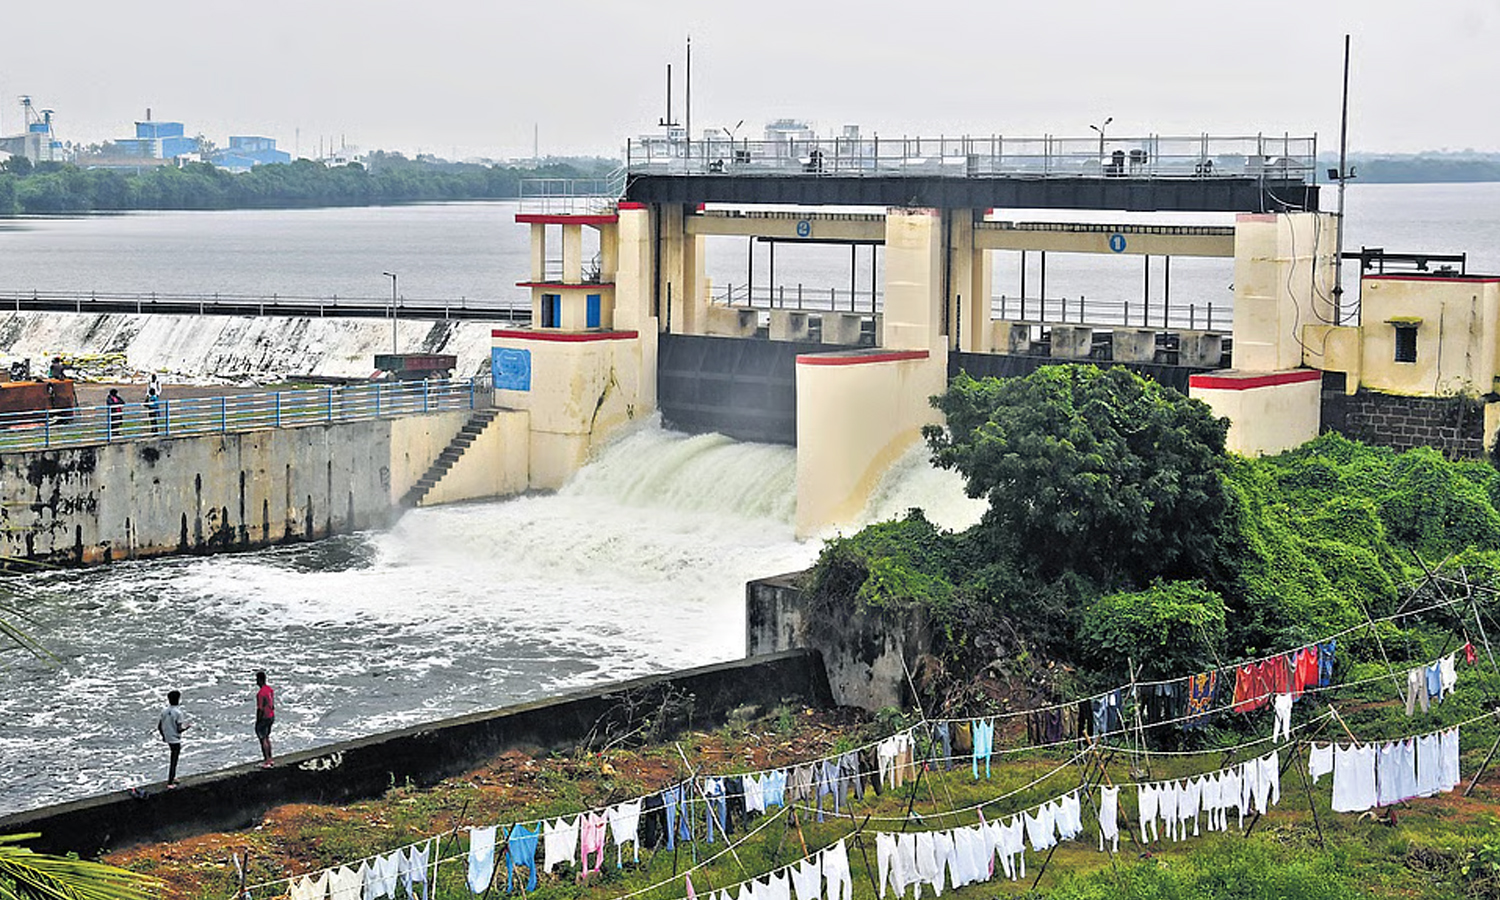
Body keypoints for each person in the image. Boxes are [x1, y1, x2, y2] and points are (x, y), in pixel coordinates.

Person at [157, 689, 190, 786]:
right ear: (178, 699)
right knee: (174, 760)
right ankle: (170, 782)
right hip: (175, 739)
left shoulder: (164, 711)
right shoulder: (178, 713)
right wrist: (187, 727)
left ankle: (173, 777)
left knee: (173, 758)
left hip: (168, 737)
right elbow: (179, 729)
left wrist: (164, 736)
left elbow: (159, 726)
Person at [254, 670, 275, 768]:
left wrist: (258, 721)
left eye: (257, 679)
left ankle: (266, 761)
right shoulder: (270, 690)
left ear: (260, 680)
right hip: (271, 716)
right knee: (267, 738)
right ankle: (270, 759)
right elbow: (272, 704)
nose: (256, 682)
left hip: (264, 717)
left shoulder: (260, 694)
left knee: (263, 739)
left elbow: (260, 709)